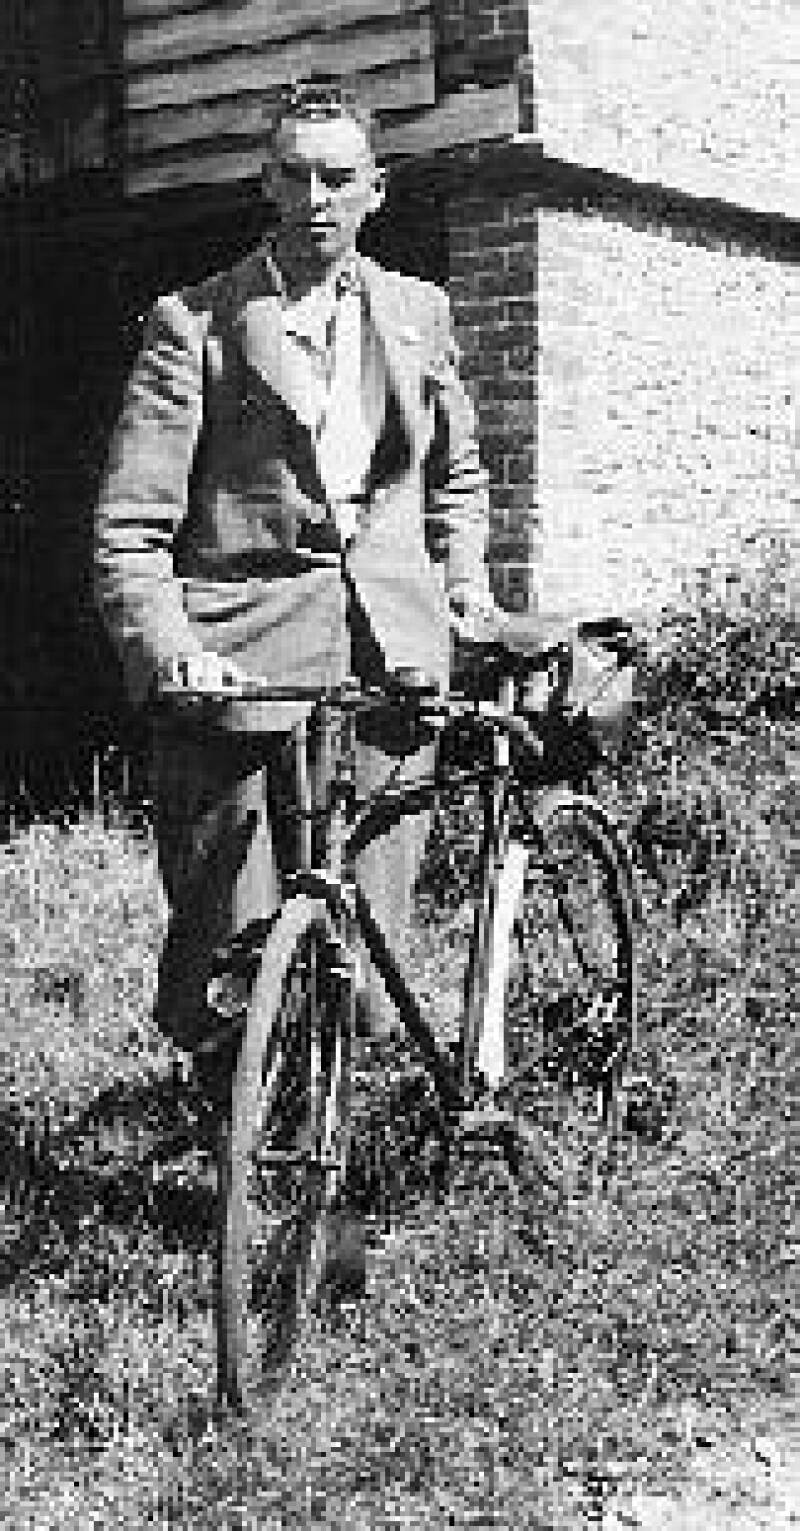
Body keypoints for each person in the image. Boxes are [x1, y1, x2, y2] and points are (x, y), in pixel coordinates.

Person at [94, 76, 498, 1263]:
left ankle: (326, 1190)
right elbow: (130, 528)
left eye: (338, 177)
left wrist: (460, 586)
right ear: (262, 184)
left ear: (375, 191)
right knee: (228, 946)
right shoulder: (196, 324)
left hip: (386, 668)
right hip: (240, 673)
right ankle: (237, 1173)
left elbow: (455, 478)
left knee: (363, 940)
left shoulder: (417, 311)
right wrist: (172, 652)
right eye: (292, 175)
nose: (315, 197)